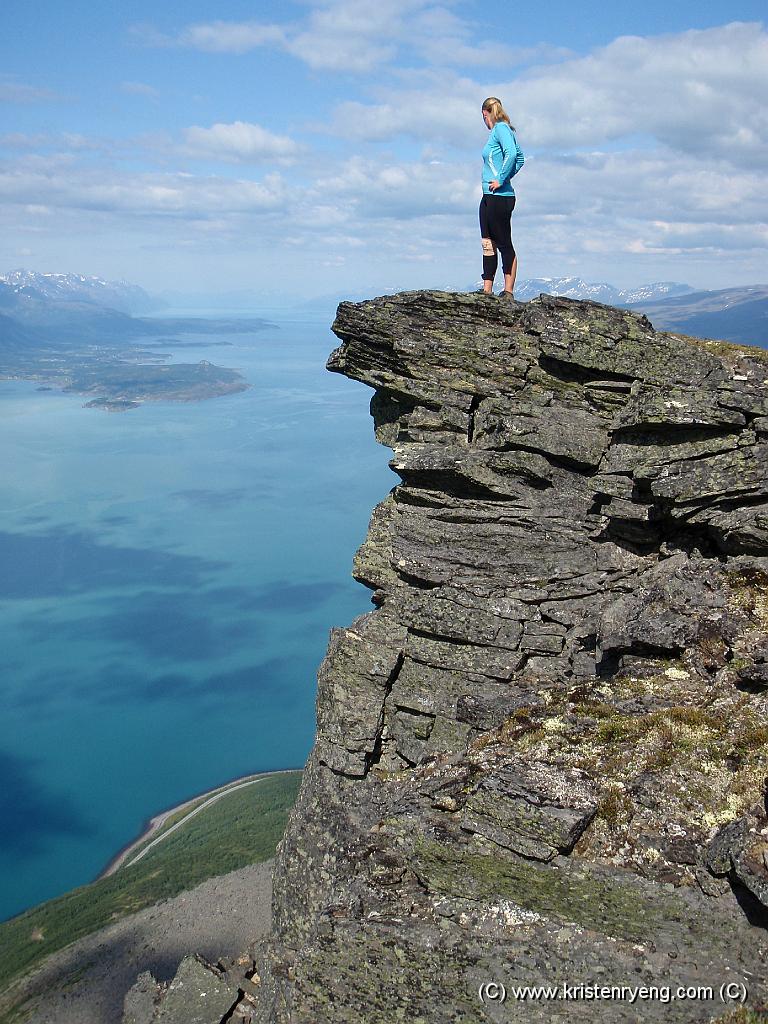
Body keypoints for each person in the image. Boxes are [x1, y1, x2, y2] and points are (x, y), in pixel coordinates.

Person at [479, 96, 520, 299]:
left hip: (500, 196)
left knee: (503, 243)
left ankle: (508, 291)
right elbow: (519, 157)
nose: (484, 122)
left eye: (483, 117)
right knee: (487, 242)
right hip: (488, 196)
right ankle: (487, 290)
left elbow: (514, 155)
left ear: (487, 113)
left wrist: (502, 179)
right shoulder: (497, 132)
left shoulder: (502, 128)